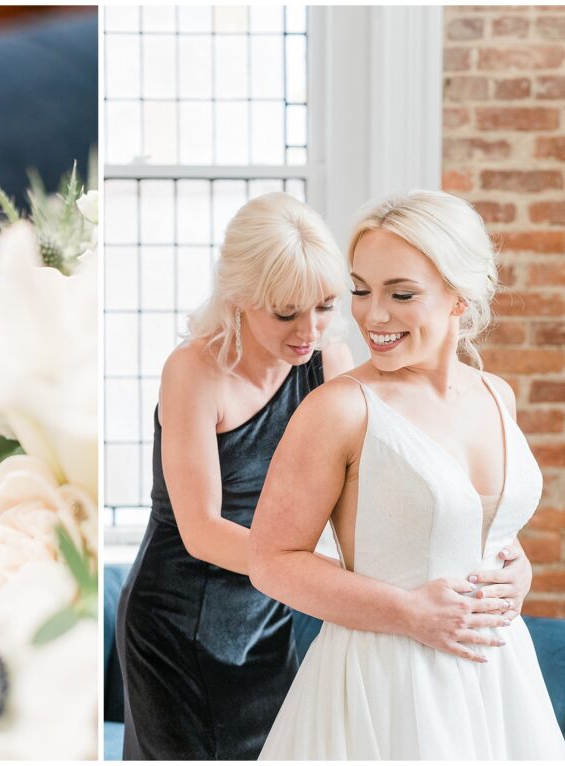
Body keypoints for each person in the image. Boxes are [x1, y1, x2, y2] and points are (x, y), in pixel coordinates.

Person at [115, 192, 534, 760]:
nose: (310, 330)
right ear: (241, 299)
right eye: (286, 313)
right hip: (184, 606)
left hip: (270, 613)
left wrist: (504, 563)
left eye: (328, 305)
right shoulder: (194, 370)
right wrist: (369, 581)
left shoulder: (332, 366)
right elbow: (202, 529)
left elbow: (392, 488)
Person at [251, 190, 565, 760]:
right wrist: (408, 613)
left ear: (459, 297)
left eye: (401, 294)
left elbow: (477, 527)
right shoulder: (340, 409)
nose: (373, 315)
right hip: (386, 682)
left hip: (499, 676)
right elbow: (270, 562)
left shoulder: (497, 395)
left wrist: (518, 570)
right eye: (361, 290)